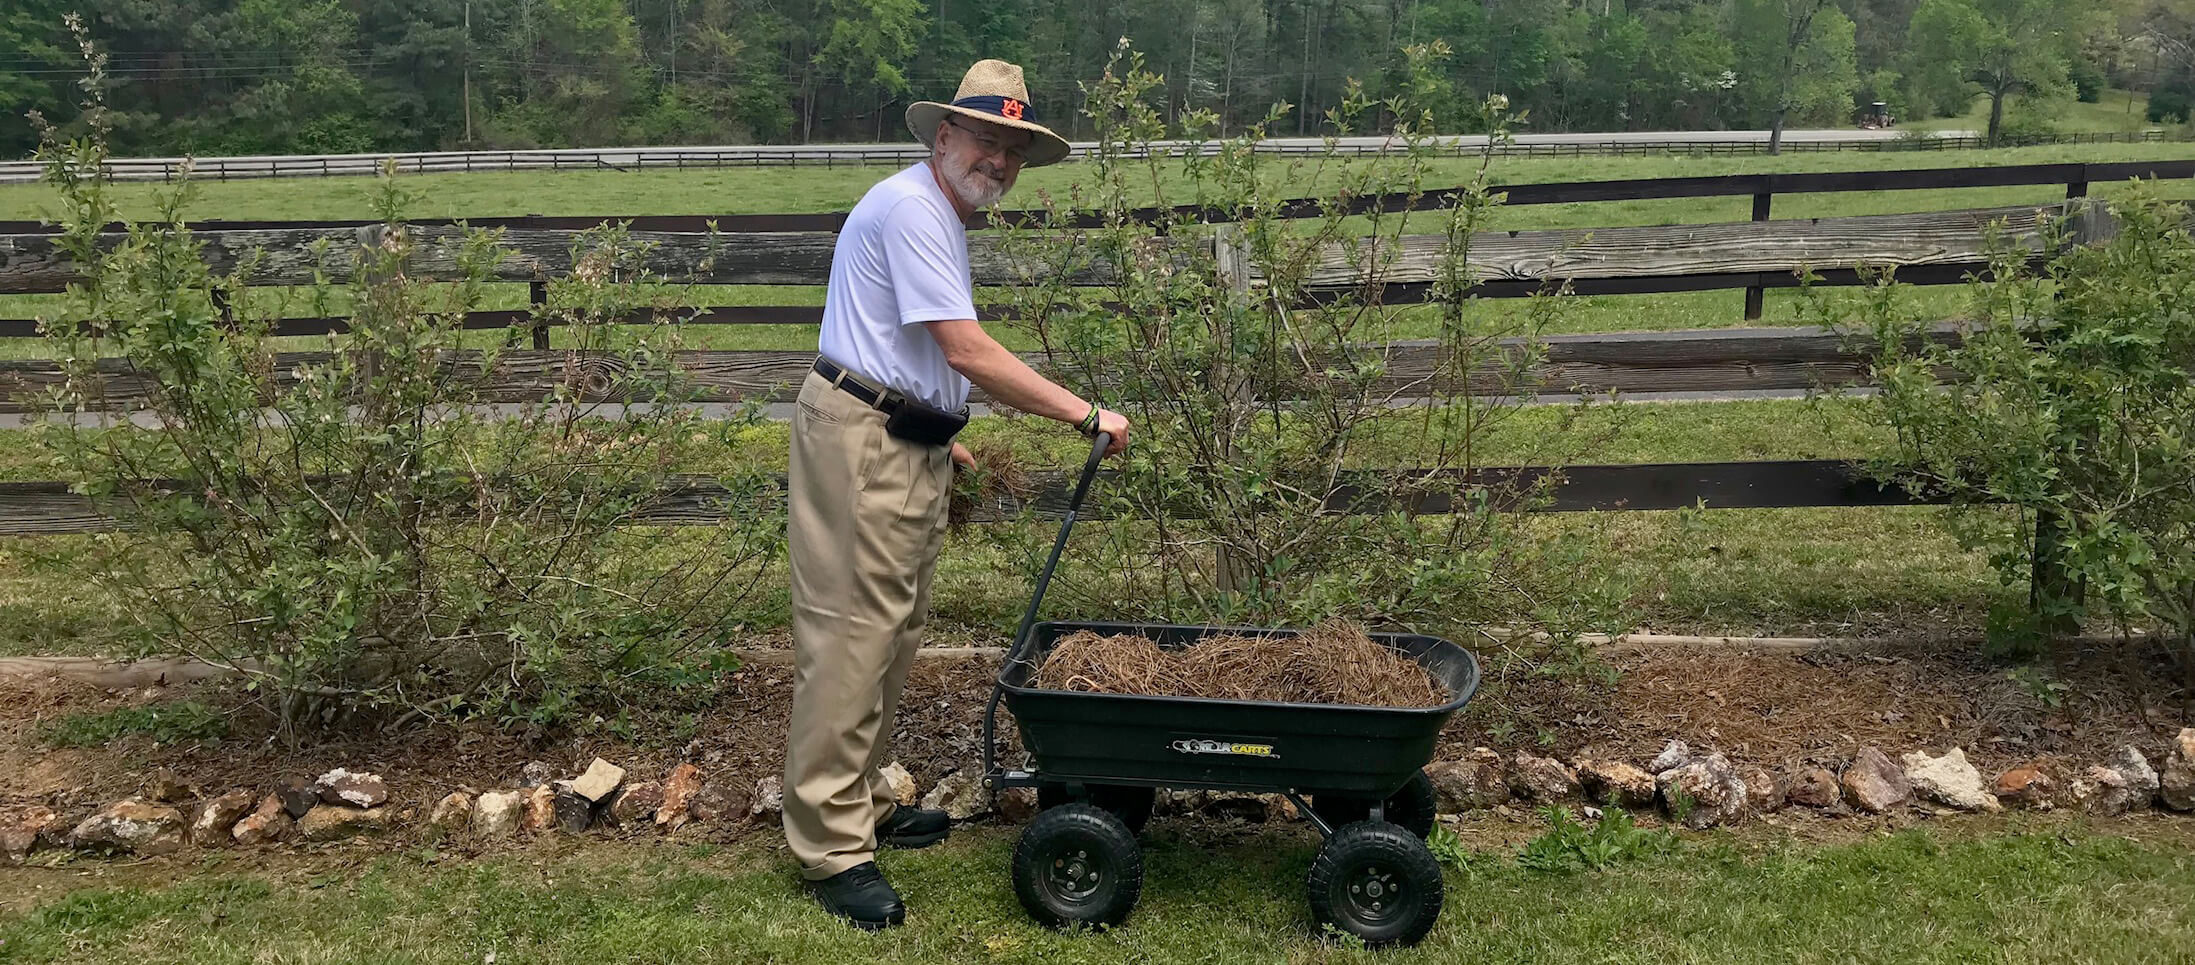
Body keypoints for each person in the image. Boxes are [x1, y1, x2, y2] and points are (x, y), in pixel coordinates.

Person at [782, 58, 1131, 930]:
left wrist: (947, 430)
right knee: (851, 636)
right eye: (986, 139)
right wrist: (1084, 412)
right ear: (944, 136)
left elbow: (907, 346)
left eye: (1013, 147)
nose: (1000, 160)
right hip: (864, 443)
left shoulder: (935, 210)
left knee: (891, 631)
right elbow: (966, 348)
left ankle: (858, 805)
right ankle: (830, 847)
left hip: (898, 435)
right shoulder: (913, 209)